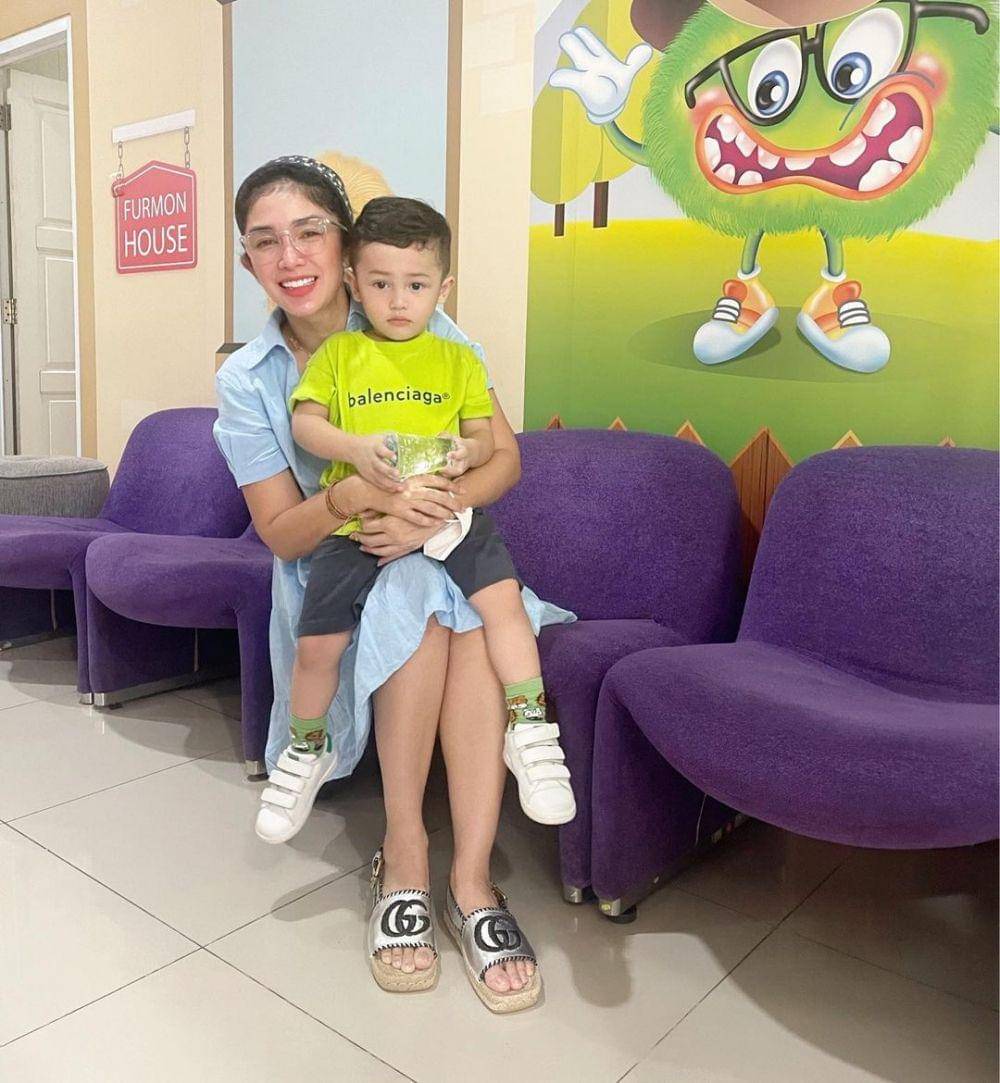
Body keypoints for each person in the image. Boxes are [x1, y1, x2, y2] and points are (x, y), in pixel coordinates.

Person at [214, 157, 573, 1012]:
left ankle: (471, 879)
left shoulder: (419, 319)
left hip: (441, 537)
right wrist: (355, 497)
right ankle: (406, 859)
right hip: (332, 565)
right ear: (247, 260)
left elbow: (502, 458)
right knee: (430, 601)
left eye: (309, 231)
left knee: (454, 603)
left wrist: (432, 511)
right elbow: (280, 532)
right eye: (265, 241)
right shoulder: (250, 378)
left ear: (342, 246)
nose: (289, 255)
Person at [285, 195, 575, 830]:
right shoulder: (338, 355)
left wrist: (468, 454)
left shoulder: (459, 358)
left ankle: (530, 728)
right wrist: (354, 450)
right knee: (318, 642)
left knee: (503, 603)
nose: (398, 301)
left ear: (442, 289)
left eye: (415, 286)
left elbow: (487, 443)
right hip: (361, 527)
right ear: (354, 282)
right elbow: (306, 424)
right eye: (381, 284)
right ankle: (305, 745)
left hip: (451, 515)